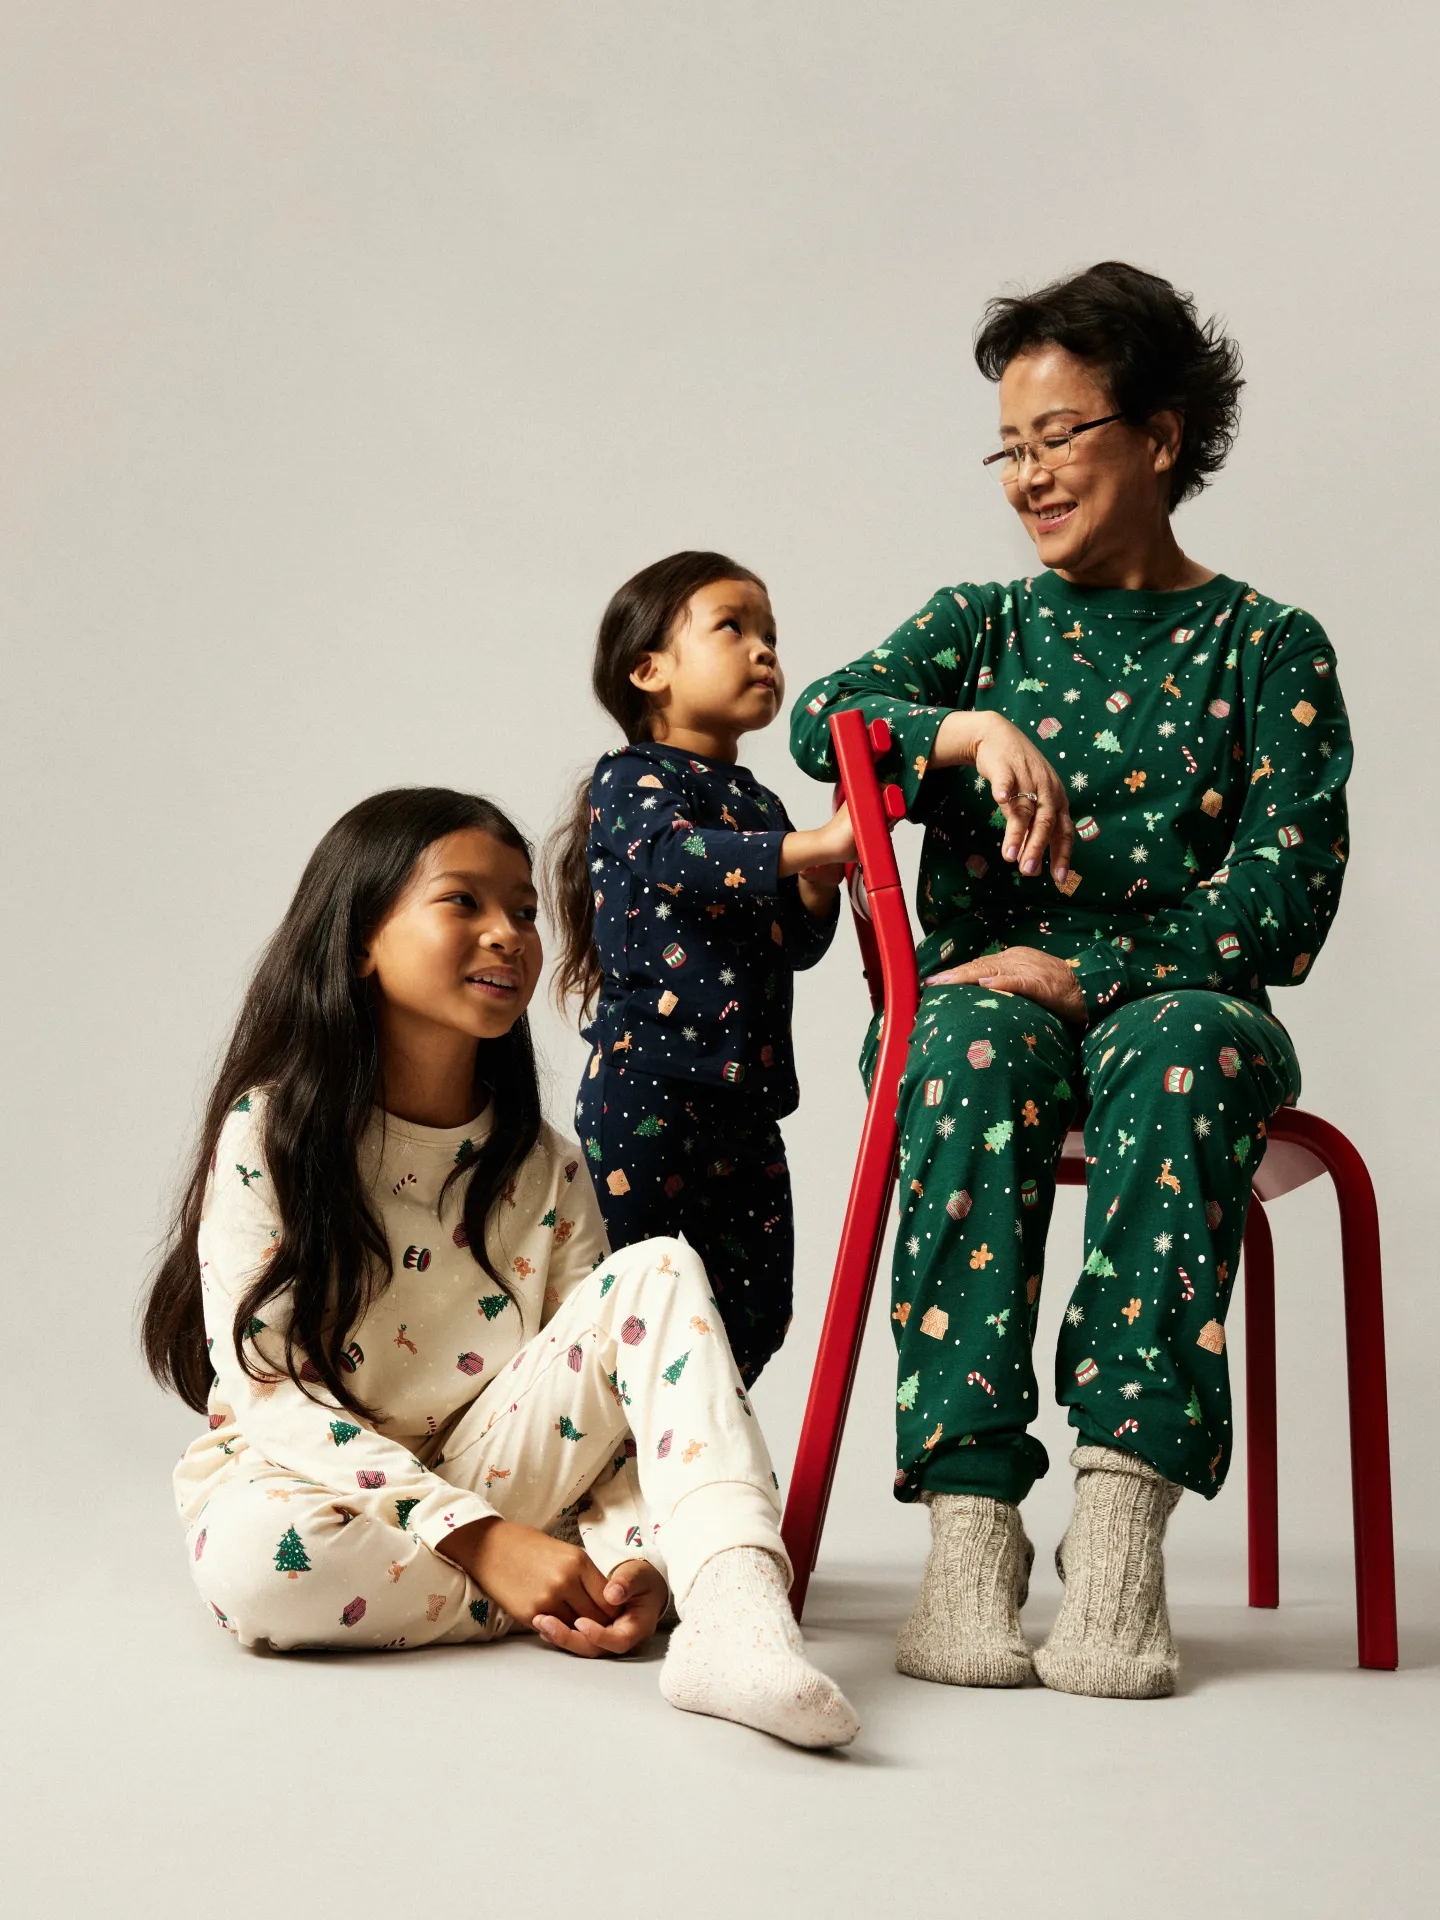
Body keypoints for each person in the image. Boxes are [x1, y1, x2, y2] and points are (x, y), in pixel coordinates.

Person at [789, 261, 1351, 1699]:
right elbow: (821, 721)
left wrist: (1093, 970)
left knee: (1183, 1047)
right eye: (1009, 448)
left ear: (1159, 437)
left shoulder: (1269, 649)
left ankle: (1114, 1550)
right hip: (984, 1012)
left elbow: (1284, 905)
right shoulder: (983, 628)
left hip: (1182, 1017)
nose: (1029, 475)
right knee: (964, 1041)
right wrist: (968, 733)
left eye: (1058, 436)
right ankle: (972, 1544)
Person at [143, 786, 858, 1749]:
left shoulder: (547, 1168)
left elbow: (608, 1417)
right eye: (464, 901)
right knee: (257, 1565)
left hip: (505, 1475)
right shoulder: (269, 1134)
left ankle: (734, 1615)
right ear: (360, 940)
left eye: (524, 911)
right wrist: (487, 1544)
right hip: (320, 1486)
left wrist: (636, 1563)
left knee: (658, 1271)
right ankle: (551, 1586)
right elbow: (273, 1400)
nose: (509, 935)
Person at [547, 551, 854, 1383]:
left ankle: (692, 1437)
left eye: (771, 635)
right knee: (622, 1294)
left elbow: (796, 945)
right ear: (650, 669)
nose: (764, 650)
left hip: (747, 1102)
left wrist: (819, 882)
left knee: (756, 1312)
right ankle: (605, 1447)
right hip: (648, 1080)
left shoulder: (761, 804)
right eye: (733, 628)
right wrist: (809, 847)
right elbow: (675, 854)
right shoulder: (629, 779)